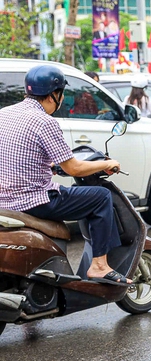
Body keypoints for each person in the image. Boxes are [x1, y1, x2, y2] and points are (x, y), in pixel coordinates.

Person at [0, 65, 130, 284]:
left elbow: (18, 154)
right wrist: (106, 164)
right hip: (34, 200)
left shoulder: (4, 114)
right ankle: (99, 265)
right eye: (61, 95)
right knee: (100, 197)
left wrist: (50, 166)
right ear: (54, 95)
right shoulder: (45, 122)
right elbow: (74, 169)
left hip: (5, 200)